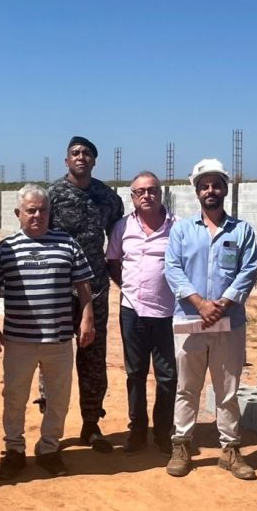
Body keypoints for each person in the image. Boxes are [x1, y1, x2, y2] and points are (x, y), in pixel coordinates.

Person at [0, 185, 95, 479]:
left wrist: (88, 319)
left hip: (59, 339)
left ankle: (49, 449)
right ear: (18, 213)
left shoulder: (67, 244)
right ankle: (14, 450)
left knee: (58, 398)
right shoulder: (6, 249)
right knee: (14, 397)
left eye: (43, 210)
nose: (37, 215)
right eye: (31, 210)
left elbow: (83, 284)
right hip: (18, 341)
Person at [163, 158, 257, 480]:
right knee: (187, 387)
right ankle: (181, 445)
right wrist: (200, 304)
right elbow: (173, 269)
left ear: (224, 189)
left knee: (227, 390)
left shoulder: (242, 231)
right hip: (190, 321)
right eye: (204, 186)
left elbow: (248, 271)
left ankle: (230, 450)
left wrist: (223, 303)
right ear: (197, 192)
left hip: (229, 323)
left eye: (216, 185)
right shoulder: (181, 230)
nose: (210, 190)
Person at [47, 136, 125, 452]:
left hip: (95, 289)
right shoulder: (52, 195)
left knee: (93, 357)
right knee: (52, 356)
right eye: (75, 153)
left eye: (87, 153)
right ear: (66, 160)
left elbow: (118, 240)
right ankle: (51, 428)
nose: (81, 157)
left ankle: (91, 424)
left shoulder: (108, 198)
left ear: (94, 161)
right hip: (56, 288)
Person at [106, 171, 177, 454]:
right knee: (135, 373)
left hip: (167, 313)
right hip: (132, 311)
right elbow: (113, 262)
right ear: (133, 197)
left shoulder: (178, 227)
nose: (147, 195)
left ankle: (163, 432)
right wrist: (129, 287)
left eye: (152, 190)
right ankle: (137, 431)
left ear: (161, 193)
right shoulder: (122, 227)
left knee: (167, 376)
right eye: (140, 191)